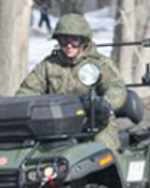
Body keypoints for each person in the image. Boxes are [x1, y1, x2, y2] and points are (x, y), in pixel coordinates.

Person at [17, 13, 126, 152]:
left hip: (94, 122)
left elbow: (116, 87)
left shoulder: (100, 64)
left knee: (102, 152)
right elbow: (28, 90)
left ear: (84, 41)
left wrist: (104, 103)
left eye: (74, 40)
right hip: (57, 125)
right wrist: (23, 107)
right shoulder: (49, 65)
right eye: (63, 40)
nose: (68, 45)